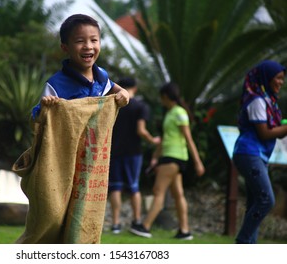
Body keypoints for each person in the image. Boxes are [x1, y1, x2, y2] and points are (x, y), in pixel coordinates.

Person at [16, 14, 129, 243]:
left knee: (83, 214)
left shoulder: (101, 76)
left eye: (94, 40)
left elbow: (113, 88)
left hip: (89, 163)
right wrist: (46, 108)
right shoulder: (56, 84)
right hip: (60, 163)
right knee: (53, 213)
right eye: (80, 41)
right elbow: (36, 120)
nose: (88, 46)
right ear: (65, 47)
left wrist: (122, 92)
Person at [130, 82, 205, 239]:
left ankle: (145, 226)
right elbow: (165, 139)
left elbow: (188, 138)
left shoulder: (179, 112)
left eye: (161, 98)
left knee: (158, 191)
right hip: (170, 156)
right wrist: (156, 157)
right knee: (178, 194)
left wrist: (197, 162)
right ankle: (185, 231)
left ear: (165, 96)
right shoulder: (171, 113)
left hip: (174, 157)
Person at [232, 60, 286, 244]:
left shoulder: (270, 102)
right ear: (266, 78)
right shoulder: (257, 101)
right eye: (278, 78)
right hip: (249, 154)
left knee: (254, 203)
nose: (281, 82)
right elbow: (264, 133)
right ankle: (243, 241)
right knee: (266, 200)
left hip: (258, 156)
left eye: (282, 79)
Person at [108, 77, 160, 234]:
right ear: (135, 88)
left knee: (115, 187)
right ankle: (136, 221)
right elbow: (141, 130)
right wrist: (153, 140)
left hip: (114, 150)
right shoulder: (140, 106)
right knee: (133, 186)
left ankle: (116, 224)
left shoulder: (113, 104)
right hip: (133, 152)